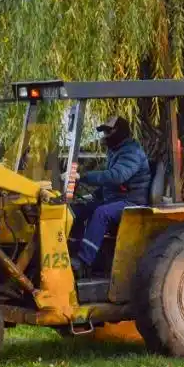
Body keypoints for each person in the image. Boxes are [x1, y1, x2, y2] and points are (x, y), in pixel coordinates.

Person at [70, 115, 150, 277]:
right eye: (104, 132)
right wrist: (92, 196)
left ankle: (84, 262)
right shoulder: (116, 151)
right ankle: (70, 250)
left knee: (101, 213)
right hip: (116, 199)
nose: (105, 136)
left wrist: (84, 176)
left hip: (132, 202)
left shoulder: (132, 152)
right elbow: (110, 184)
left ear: (120, 132)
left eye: (108, 131)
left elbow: (116, 176)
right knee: (77, 209)